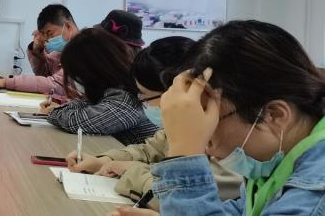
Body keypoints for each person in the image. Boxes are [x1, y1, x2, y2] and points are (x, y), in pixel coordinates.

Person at [108, 20, 325, 216]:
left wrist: (184, 156)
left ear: (274, 115)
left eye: (211, 124)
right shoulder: (277, 161)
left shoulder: (316, 192)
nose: (206, 148)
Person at [66, 36, 241, 210]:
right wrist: (105, 160)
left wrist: (134, 172)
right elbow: (150, 150)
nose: (144, 103)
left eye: (145, 96)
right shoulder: (183, 124)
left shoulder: (227, 141)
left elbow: (187, 200)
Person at [40, 27, 159, 145]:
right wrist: (58, 110)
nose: (77, 79)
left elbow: (78, 122)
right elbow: (85, 104)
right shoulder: (113, 88)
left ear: (92, 71)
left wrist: (52, 113)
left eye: (77, 74)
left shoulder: (126, 99)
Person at [0, 4, 77, 94]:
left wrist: (6, 82)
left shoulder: (82, 51)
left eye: (50, 34)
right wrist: (37, 52)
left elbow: (54, 84)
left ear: (68, 26)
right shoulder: (61, 53)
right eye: (44, 35)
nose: (47, 39)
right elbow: (45, 78)